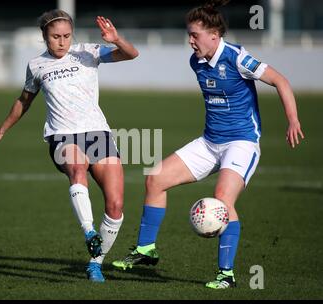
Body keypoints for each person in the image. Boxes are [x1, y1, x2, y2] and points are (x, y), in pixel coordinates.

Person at [112, 0, 304, 289]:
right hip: (209, 142)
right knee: (155, 178)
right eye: (189, 34)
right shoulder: (196, 61)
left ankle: (226, 275)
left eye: (195, 35)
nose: (190, 41)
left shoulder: (237, 57)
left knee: (223, 201)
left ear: (214, 35)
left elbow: (281, 80)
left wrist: (292, 119)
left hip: (241, 143)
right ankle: (145, 251)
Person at [0, 9, 139, 282]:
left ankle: (95, 262)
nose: (61, 42)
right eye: (55, 37)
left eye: (66, 36)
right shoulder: (37, 65)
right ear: (45, 37)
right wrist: (1, 131)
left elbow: (131, 54)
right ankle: (89, 231)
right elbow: (23, 100)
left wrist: (115, 39)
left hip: (98, 133)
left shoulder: (88, 52)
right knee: (76, 169)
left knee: (116, 205)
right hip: (62, 135)